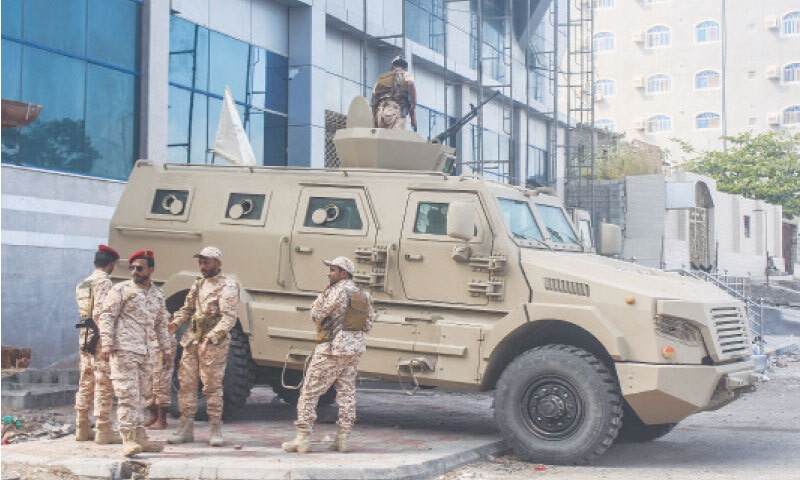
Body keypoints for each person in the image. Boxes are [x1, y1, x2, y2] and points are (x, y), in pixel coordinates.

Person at [282, 256, 376, 454]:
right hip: (353, 351)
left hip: (332, 349)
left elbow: (317, 314)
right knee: (347, 393)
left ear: (343, 273)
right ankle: (343, 439)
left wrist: (322, 294)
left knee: (309, 392)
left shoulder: (337, 290)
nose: (329, 273)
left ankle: (303, 438)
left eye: (333, 270)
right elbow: (368, 325)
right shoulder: (363, 294)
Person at [98, 250, 172, 457]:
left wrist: (166, 350)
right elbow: (107, 316)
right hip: (124, 351)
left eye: (139, 268)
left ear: (151, 269)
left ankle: (140, 437)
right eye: (132, 267)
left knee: (141, 397)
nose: (134, 271)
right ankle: (128, 438)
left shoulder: (157, 294)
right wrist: (107, 343)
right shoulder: (121, 289)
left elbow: (161, 325)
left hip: (147, 353)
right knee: (127, 395)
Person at [167, 246, 240, 447]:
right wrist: (174, 324)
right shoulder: (198, 284)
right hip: (192, 340)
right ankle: (185, 427)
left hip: (213, 344)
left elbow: (229, 318)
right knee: (187, 384)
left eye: (206, 262)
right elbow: (188, 308)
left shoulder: (228, 286)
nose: (202, 266)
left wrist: (211, 337)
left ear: (218, 263)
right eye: (200, 262)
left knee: (212, 387)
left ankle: (215, 427)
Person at [74, 244, 122, 445]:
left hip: (85, 335)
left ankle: (82, 426)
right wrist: (108, 341)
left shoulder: (82, 284)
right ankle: (103, 429)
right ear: (111, 265)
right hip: (99, 337)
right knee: (103, 382)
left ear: (95, 262)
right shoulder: (105, 284)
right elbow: (104, 314)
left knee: (85, 381)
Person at [144, 326, 177, 430]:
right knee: (148, 379)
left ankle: (162, 419)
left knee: (161, 380)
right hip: (148, 339)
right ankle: (153, 415)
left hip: (163, 341)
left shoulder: (160, 310)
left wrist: (175, 323)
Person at [371, 55, 417, 131]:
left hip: (381, 112)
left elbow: (373, 98)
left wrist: (375, 118)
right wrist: (414, 103)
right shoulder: (406, 74)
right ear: (406, 68)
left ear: (393, 66)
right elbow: (410, 84)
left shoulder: (381, 78)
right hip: (395, 112)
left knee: (382, 140)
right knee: (396, 140)